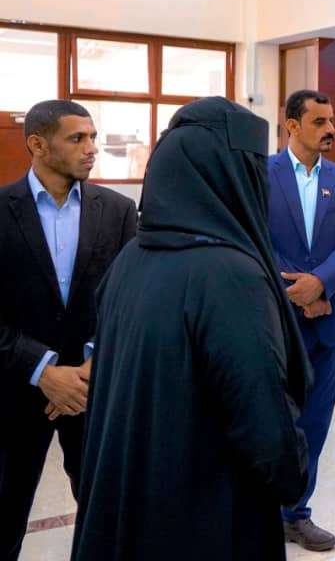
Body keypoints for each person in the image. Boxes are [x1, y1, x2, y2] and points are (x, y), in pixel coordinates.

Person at [71, 97, 311, 561]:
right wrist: (294, 468)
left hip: (137, 504)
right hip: (205, 517)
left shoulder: (133, 257)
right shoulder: (230, 276)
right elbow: (266, 431)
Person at [0, 100, 136, 560]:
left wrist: (93, 363)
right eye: (77, 138)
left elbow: (129, 299)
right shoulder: (1, 210)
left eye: (93, 137)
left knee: (106, 515)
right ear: (38, 145)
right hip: (15, 392)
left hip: (94, 390)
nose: (91, 148)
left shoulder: (118, 211)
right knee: (4, 514)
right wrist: (44, 371)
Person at [268, 89, 335, 552]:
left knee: (316, 421)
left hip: (327, 321)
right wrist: (298, 289)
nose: (330, 130)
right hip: (273, 320)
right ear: (292, 125)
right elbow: (252, 237)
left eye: (332, 121)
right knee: (271, 418)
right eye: (319, 121)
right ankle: (262, 510)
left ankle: (295, 513)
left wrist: (321, 284)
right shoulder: (261, 174)